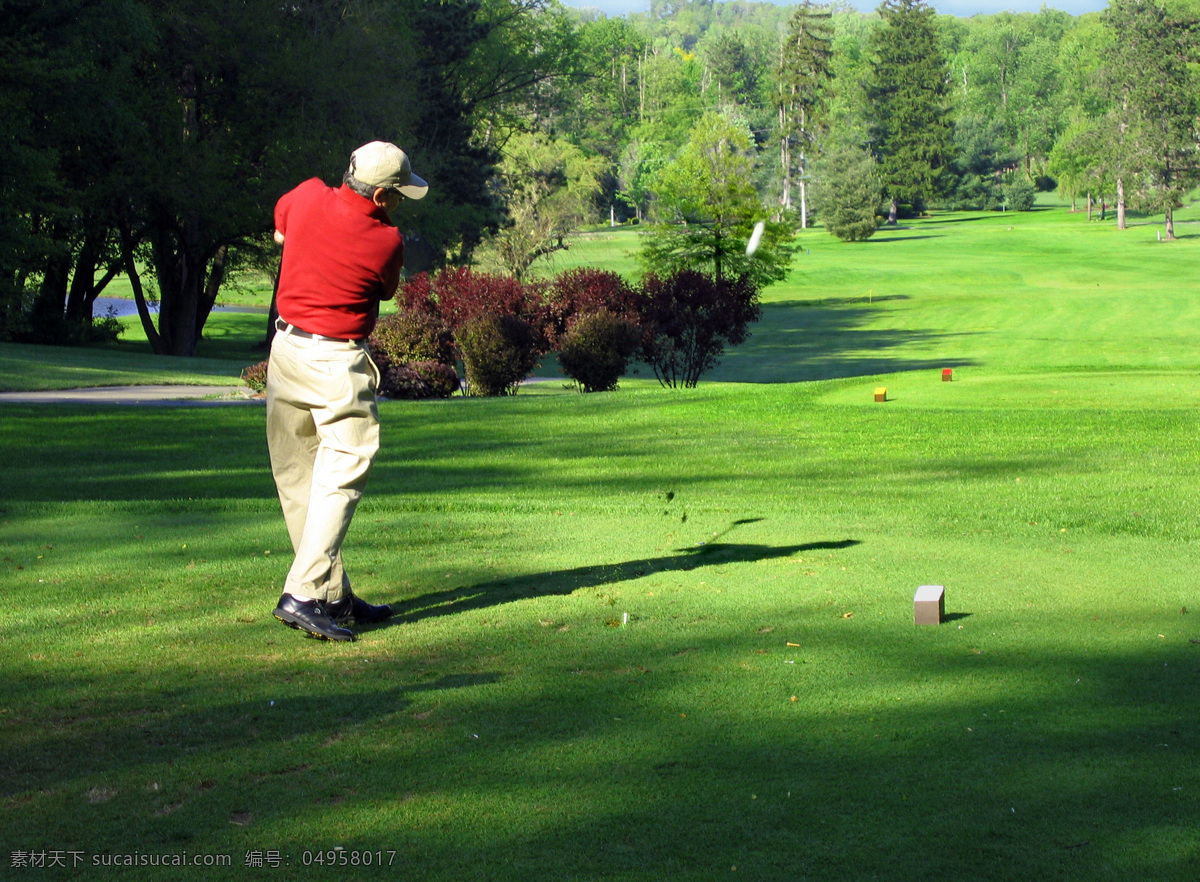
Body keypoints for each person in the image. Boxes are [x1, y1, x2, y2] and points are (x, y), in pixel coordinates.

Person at [267, 141, 428, 642]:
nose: (401, 203)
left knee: (300, 478)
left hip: (285, 351)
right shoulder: (386, 241)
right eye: (399, 194)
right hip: (336, 361)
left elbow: (280, 226)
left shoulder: (307, 195)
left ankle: (333, 594)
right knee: (345, 468)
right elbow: (383, 289)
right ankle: (302, 594)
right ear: (380, 195)